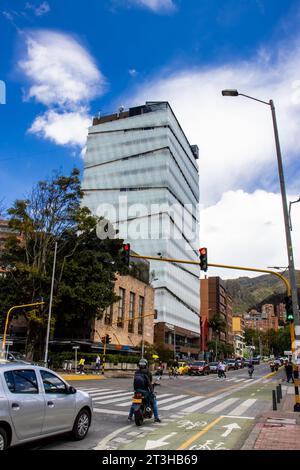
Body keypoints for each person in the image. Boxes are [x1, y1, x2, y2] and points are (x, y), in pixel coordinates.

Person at [128, 358, 161, 423]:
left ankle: (130, 416)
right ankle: (156, 418)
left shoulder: (136, 372)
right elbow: (149, 383)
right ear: (146, 365)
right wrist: (152, 391)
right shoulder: (148, 372)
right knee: (153, 402)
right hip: (145, 391)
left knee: (134, 403)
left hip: (137, 390)